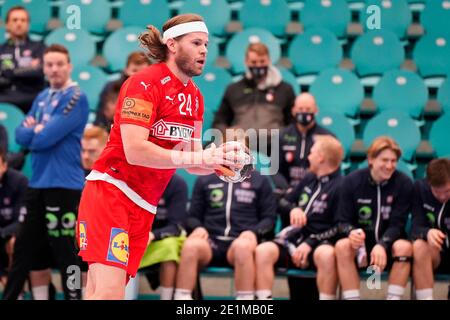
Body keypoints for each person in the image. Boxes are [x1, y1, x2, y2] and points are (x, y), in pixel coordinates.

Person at [76, 14, 244, 300]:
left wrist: (218, 162)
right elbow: (135, 150)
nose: (204, 50)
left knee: (98, 292)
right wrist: (203, 156)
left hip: (144, 205)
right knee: (108, 293)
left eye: (206, 44)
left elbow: (190, 162)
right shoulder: (143, 84)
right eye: (196, 43)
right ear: (172, 45)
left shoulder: (195, 97)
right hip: (111, 192)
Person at [3, 44, 89, 300]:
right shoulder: (42, 97)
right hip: (38, 184)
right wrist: (36, 130)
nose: (54, 69)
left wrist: (37, 130)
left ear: (69, 66)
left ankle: (74, 297)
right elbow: (20, 135)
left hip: (64, 186)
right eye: (49, 64)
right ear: (43, 67)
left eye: (59, 64)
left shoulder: (76, 97)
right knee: (23, 249)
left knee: (67, 254)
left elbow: (43, 139)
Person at [173, 143, 276, 300]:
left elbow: (269, 219)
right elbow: (192, 216)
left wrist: (253, 232)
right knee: (191, 246)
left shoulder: (260, 180)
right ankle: (182, 298)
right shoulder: (205, 179)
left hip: (241, 241)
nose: (233, 159)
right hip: (211, 242)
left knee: (242, 247)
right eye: (229, 154)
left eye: (237, 155)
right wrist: (198, 227)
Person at [254, 135, 343, 300]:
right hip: (293, 241)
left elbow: (341, 226)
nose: (308, 157)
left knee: (326, 255)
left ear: (321, 158)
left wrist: (311, 242)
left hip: (320, 243)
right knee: (262, 251)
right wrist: (294, 209)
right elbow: (282, 202)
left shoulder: (341, 186)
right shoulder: (309, 178)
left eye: (312, 153)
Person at [335, 136, 414, 300]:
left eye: (394, 161)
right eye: (384, 160)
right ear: (370, 159)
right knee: (343, 246)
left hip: (389, 245)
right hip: (361, 248)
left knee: (404, 247)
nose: (389, 165)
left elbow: (398, 224)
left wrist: (382, 245)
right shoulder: (351, 181)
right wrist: (351, 232)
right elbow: (342, 221)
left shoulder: (404, 183)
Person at [212, 42, 296, 155]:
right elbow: (220, 120)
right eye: (254, 62)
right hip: (241, 147)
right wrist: (227, 138)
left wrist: (285, 139)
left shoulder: (285, 89)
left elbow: (292, 122)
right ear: (246, 62)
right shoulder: (234, 89)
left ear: (269, 61)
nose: (258, 65)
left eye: (262, 61)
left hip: (274, 148)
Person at [136, 174, 188, 300]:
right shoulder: (137, 178)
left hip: (161, 238)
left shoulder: (177, 184)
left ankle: (166, 297)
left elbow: (176, 226)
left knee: (170, 247)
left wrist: (152, 235)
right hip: (137, 235)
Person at [278, 93, 334, 191]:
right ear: (293, 111)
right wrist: (287, 189)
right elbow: (274, 170)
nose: (304, 112)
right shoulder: (281, 136)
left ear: (316, 110)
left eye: (308, 109)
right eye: (300, 109)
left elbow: (331, 171)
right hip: (287, 190)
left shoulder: (327, 138)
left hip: (316, 191)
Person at [411, 158, 450, 300]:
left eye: (447, 191)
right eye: (436, 191)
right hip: (435, 255)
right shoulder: (420, 188)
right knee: (419, 245)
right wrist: (427, 232)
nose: (442, 197)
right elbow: (415, 227)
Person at [0, 6, 46, 113]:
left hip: (32, 98)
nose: (19, 23)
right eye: (15, 20)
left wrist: (9, 72)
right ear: (7, 24)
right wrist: (27, 69)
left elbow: (39, 71)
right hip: (4, 97)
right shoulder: (1, 50)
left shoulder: (39, 47)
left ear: (28, 25)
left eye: (23, 20)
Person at [94, 51, 151, 131]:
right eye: (134, 71)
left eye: (143, 71)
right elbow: (100, 118)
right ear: (126, 70)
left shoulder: (155, 91)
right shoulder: (111, 87)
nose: (139, 76)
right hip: (111, 133)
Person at [0, 149, 28, 287]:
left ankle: (16, 289)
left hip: (14, 232)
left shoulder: (19, 181)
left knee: (14, 243)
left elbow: (22, 220)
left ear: (5, 165)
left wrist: (6, 234)